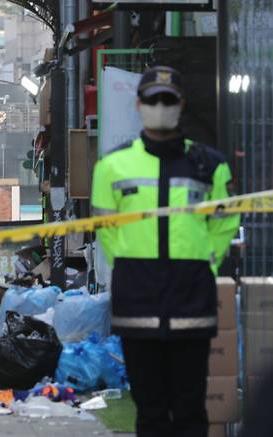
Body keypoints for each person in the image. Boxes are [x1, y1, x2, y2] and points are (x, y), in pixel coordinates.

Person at [91, 66, 240, 437]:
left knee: (191, 410)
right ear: (139, 105)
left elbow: (225, 222)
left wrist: (207, 261)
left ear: (181, 105)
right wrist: (126, 262)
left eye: (168, 100)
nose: (161, 106)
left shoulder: (210, 165)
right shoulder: (111, 166)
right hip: (137, 300)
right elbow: (105, 229)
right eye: (154, 99)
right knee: (150, 411)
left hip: (191, 298)